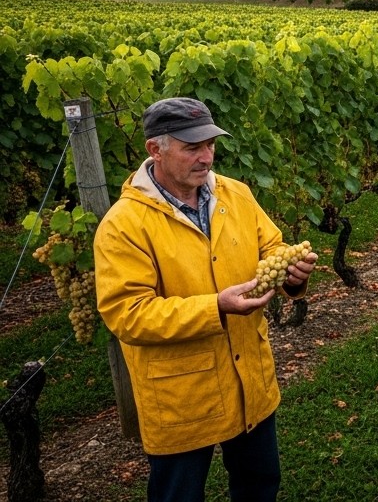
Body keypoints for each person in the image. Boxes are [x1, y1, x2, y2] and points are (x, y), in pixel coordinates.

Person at [94, 96, 317, 502]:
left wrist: (292, 276)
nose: (206, 157)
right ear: (155, 149)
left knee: (260, 486)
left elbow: (272, 248)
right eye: (192, 147)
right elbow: (128, 315)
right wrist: (216, 307)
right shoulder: (123, 226)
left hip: (249, 382)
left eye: (210, 144)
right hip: (181, 399)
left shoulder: (237, 194)